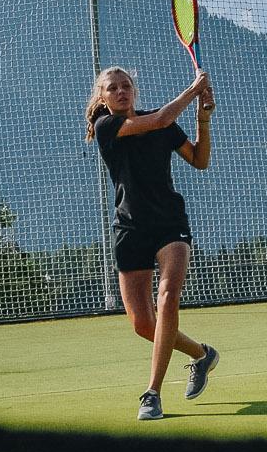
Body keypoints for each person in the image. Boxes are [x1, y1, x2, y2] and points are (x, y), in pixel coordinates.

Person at [86, 64, 219, 421]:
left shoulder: (162, 123)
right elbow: (160, 120)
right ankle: (201, 354)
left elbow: (199, 160)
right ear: (102, 98)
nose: (120, 91)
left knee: (167, 297)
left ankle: (152, 394)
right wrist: (192, 92)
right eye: (112, 88)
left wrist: (202, 120)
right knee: (143, 324)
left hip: (169, 225)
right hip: (129, 229)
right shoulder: (107, 127)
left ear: (134, 91)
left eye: (125, 85)